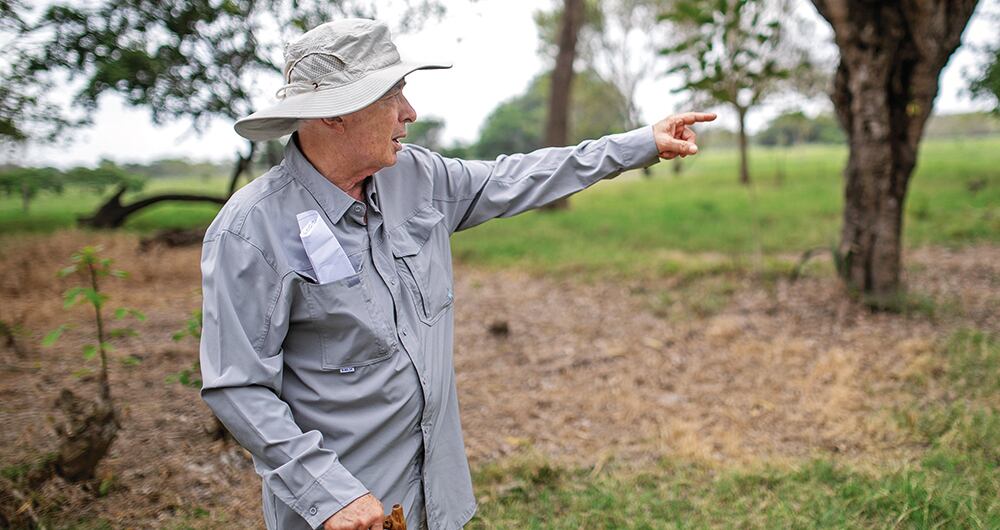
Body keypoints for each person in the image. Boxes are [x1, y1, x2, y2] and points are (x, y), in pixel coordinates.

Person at [199, 18, 715, 530]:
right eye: (392, 96)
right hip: (345, 515)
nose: (410, 112)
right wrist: (328, 494)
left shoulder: (416, 178)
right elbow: (238, 386)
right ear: (335, 114)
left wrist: (640, 143)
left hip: (436, 500)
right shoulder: (251, 231)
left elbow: (517, 176)